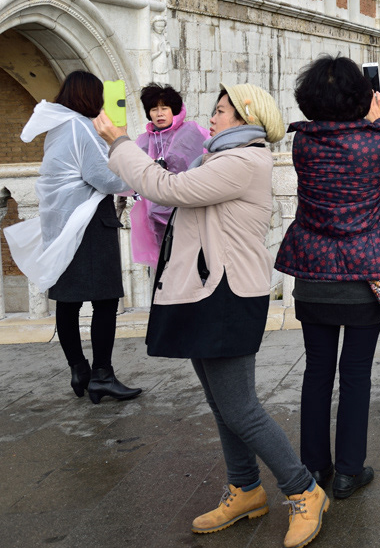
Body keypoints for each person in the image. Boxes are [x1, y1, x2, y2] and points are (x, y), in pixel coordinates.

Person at [95, 83, 329, 548]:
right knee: (225, 405)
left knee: (241, 407)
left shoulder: (244, 161)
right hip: (205, 291)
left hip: (227, 295)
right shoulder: (221, 158)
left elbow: (166, 188)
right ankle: (245, 489)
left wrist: (119, 142)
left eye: (221, 111)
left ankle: (304, 490)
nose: (213, 117)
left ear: (245, 118)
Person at [275, 56, 380, 499]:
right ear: (360, 98)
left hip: (314, 277)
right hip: (364, 278)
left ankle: (314, 466)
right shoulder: (376, 144)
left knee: (317, 371)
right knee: (356, 373)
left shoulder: (304, 144)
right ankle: (349, 471)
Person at [4, 71, 142, 404]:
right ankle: (103, 376)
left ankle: (79, 368)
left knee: (67, 302)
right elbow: (102, 179)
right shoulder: (81, 127)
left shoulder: (58, 127)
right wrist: (134, 173)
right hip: (89, 225)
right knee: (106, 301)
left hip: (63, 224)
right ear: (90, 97)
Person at [130, 83, 207, 269]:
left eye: (164, 108)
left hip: (184, 212)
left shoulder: (191, 132)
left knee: (187, 264)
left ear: (174, 110)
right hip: (154, 218)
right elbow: (131, 171)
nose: (159, 113)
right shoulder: (143, 140)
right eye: (154, 109)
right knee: (162, 268)